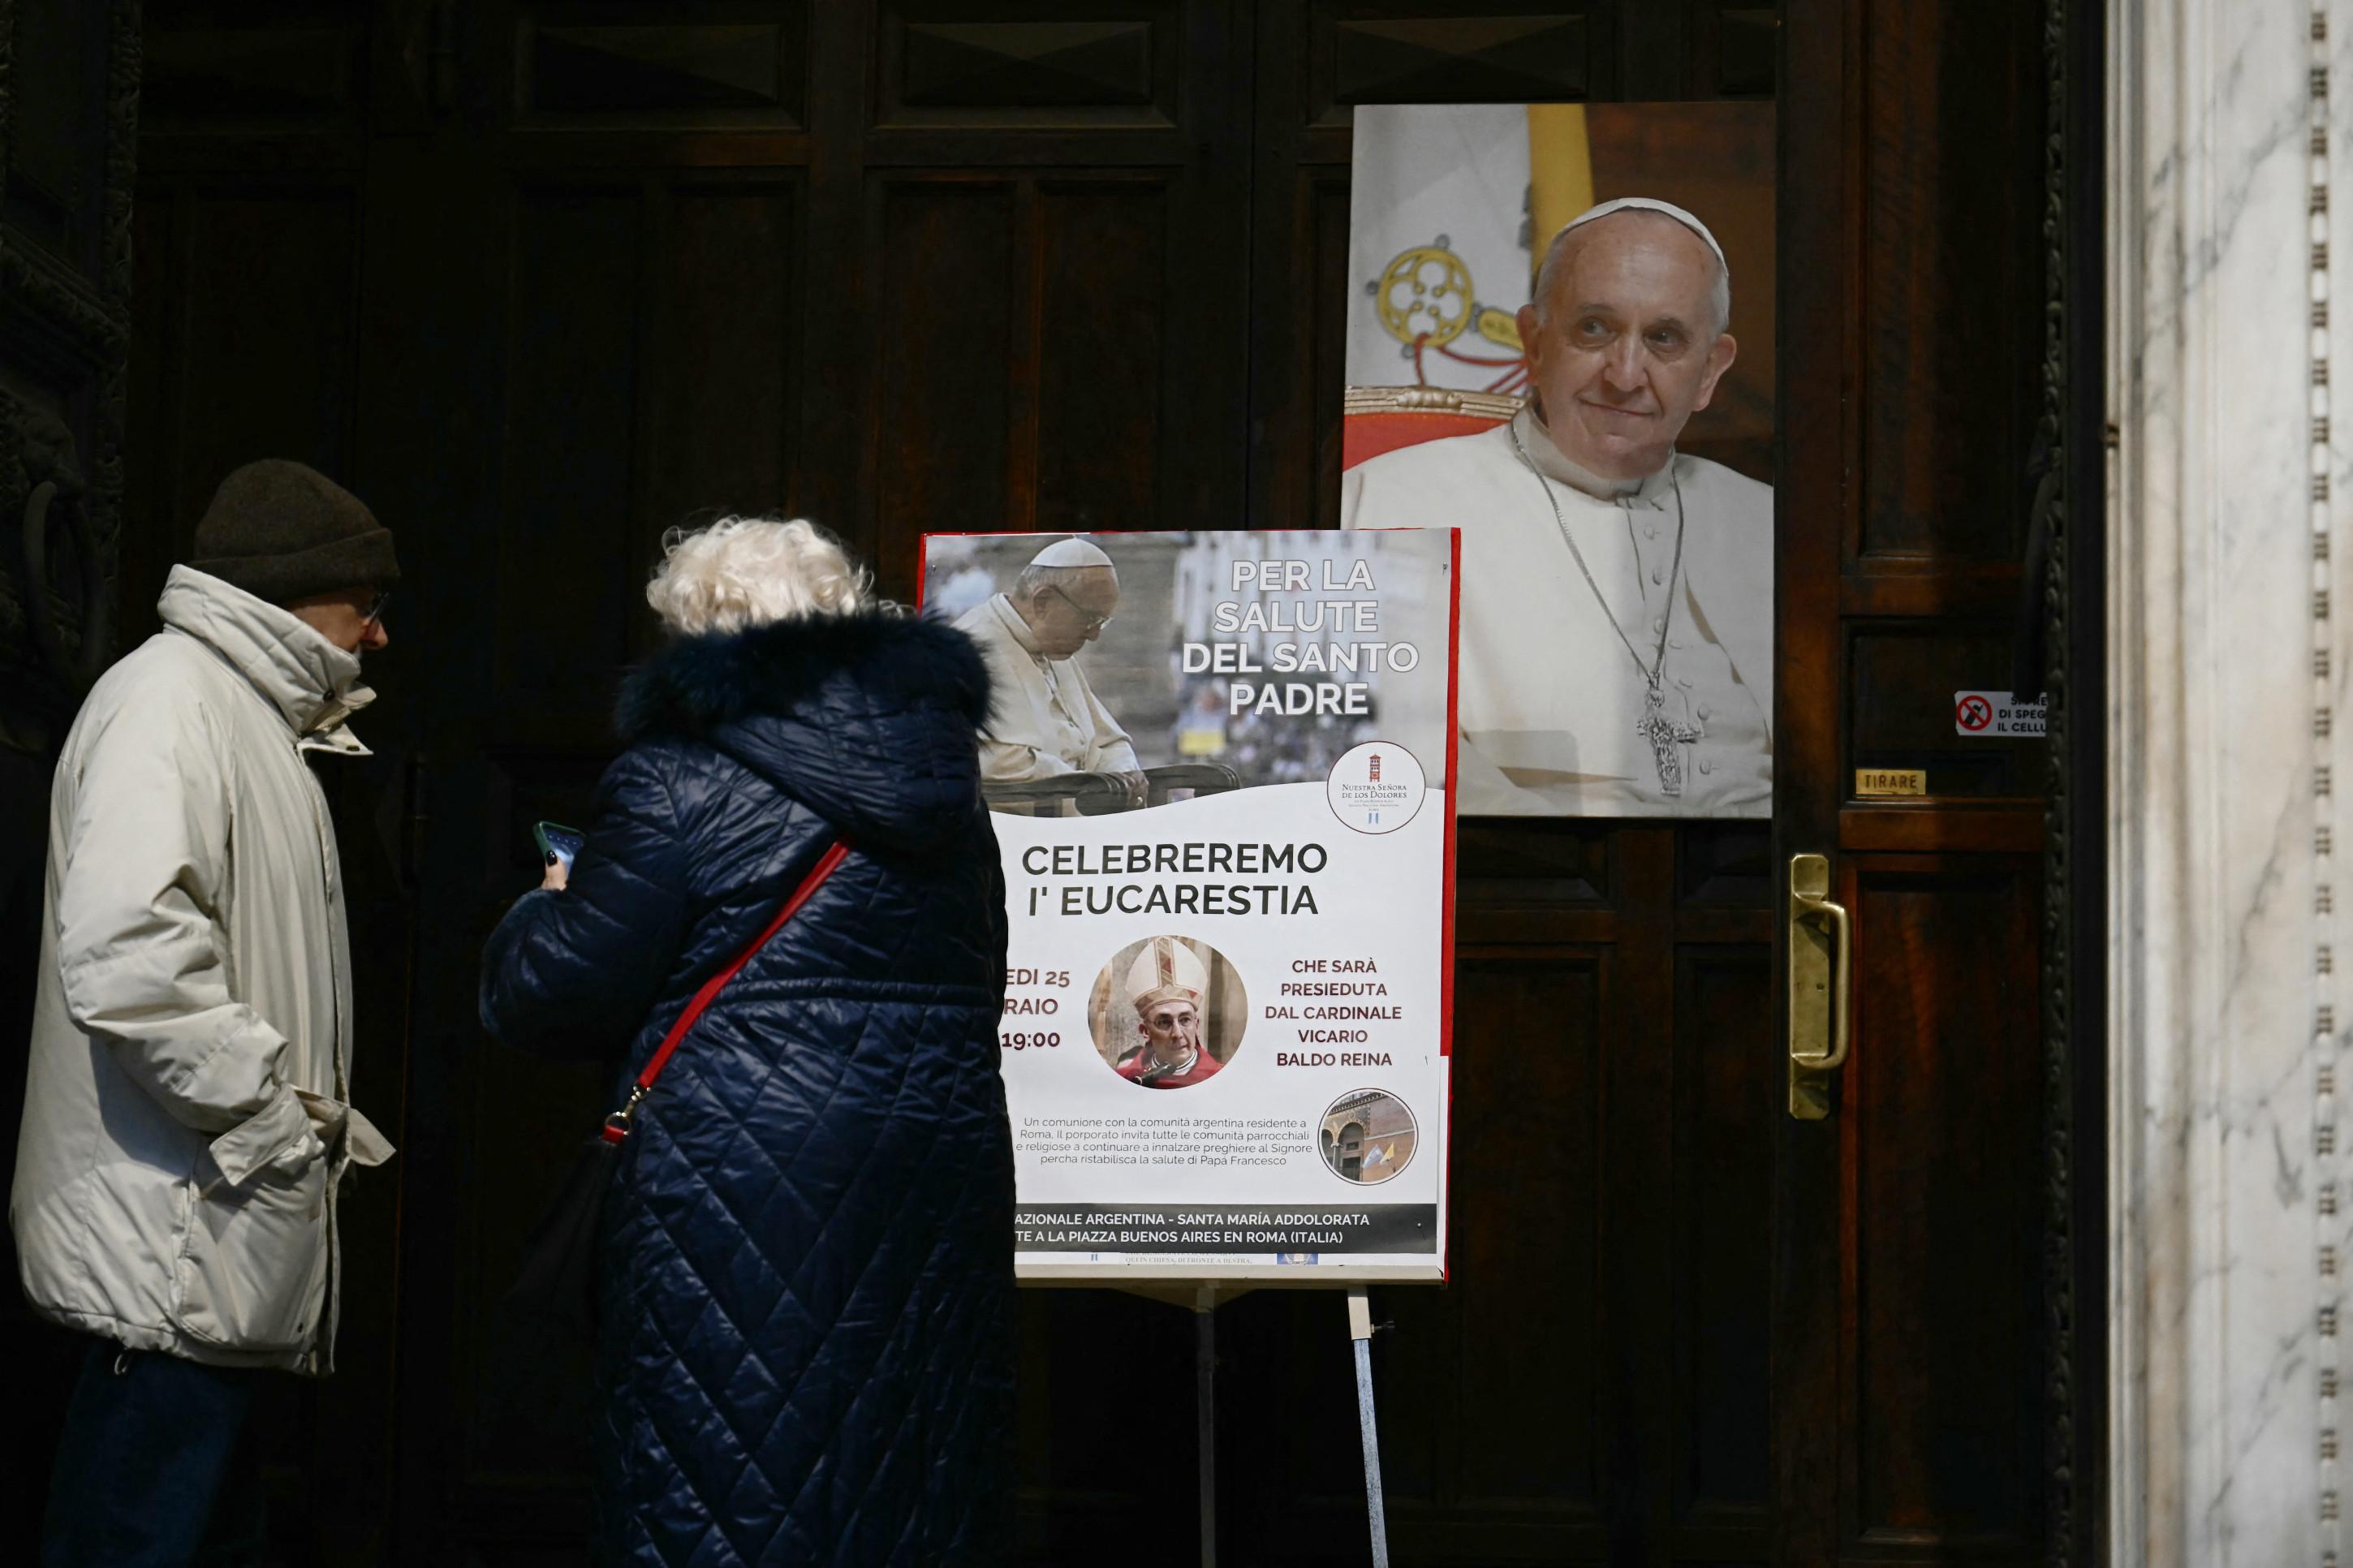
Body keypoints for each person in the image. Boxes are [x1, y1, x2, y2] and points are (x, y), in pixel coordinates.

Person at [478, 516, 1015, 1566]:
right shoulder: (952, 790)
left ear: (704, 638)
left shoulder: (674, 781)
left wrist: (540, 910)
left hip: (729, 1198)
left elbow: (554, 992)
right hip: (931, 1194)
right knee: (903, 1492)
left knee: (723, 1491)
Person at [12, 459, 399, 1564]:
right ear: (292, 594)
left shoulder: (240, 717)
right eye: (363, 605)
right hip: (172, 1255)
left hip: (207, 1248)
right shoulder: (172, 705)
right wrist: (271, 1121)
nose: (375, 636)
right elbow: (131, 955)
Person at [1342, 196, 1773, 818]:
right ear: (1534, 343)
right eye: (1594, 328)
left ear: (1709, 371)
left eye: (1663, 338)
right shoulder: (1382, 505)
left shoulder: (1774, 525)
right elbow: (1378, 762)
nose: (1625, 375)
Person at [954, 536, 1148, 808]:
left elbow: (1106, 740)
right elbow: (996, 764)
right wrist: (1093, 787)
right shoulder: (974, 645)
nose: (1093, 636)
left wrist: (1124, 768)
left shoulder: (1053, 644)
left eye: (1101, 623)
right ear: (1042, 601)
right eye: (1089, 619)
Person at [1113, 937, 1223, 1088]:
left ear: (1196, 1025)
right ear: (1145, 1031)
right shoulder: (1125, 1080)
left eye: (1185, 1020)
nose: (1177, 1034)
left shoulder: (1222, 1079)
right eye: (1164, 1022)